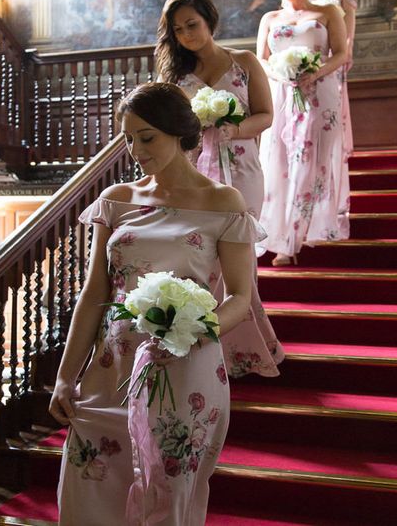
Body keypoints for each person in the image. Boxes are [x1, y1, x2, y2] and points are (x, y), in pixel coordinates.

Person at [49, 83, 261, 525]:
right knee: (90, 487)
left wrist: (195, 327)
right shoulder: (117, 201)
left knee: (169, 497)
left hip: (185, 367)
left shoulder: (223, 202)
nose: (135, 149)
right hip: (112, 368)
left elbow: (241, 297)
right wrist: (67, 376)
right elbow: (94, 295)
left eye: (147, 138)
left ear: (180, 134)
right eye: (128, 138)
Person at [156, 0, 283, 377]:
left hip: (243, 170)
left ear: (209, 19)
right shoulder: (174, 76)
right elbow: (167, 131)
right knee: (201, 260)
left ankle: (245, 351)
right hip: (195, 172)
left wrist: (234, 128)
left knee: (237, 261)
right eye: (178, 30)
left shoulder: (243, 62)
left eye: (192, 24)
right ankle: (208, 349)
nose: (187, 35)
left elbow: (266, 115)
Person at [257, 0, 349, 266]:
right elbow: (262, 60)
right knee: (280, 161)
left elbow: (340, 54)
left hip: (319, 95)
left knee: (310, 160)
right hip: (282, 94)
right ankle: (280, 232)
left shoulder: (328, 12)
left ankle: (293, 240)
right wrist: (284, 75)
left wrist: (314, 73)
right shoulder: (269, 19)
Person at [296, 0, 356, 217]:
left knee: (333, 112)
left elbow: (350, 14)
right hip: (310, 51)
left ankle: (335, 160)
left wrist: (347, 47)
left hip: (335, 50)